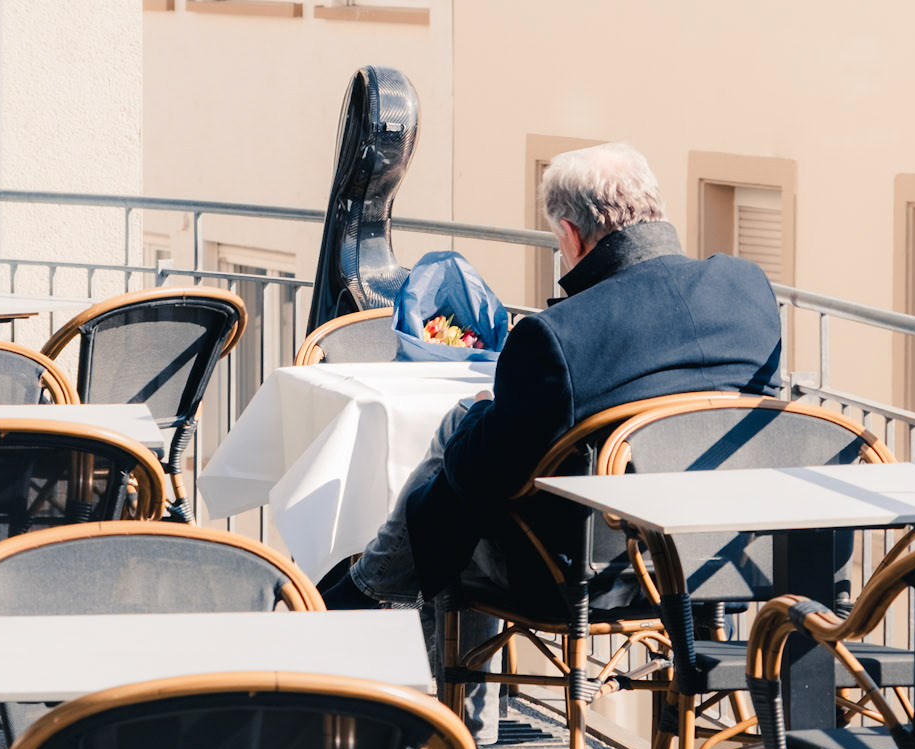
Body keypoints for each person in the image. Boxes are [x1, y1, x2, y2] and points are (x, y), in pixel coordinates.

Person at [320, 142, 782, 631]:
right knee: (457, 491)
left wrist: (477, 415)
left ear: (571, 235)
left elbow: (479, 478)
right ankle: (370, 587)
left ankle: (372, 594)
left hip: (581, 579)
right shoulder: (748, 288)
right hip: (722, 562)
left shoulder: (559, 335)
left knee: (458, 468)